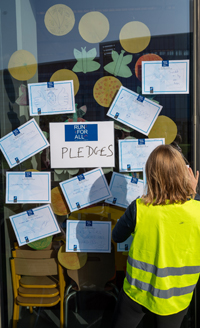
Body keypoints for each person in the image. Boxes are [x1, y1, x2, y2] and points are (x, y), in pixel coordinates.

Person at [111, 145, 200, 328]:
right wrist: (192, 193)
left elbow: (117, 236)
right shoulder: (197, 209)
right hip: (176, 298)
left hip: (137, 293)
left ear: (151, 176)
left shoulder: (139, 208)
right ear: (184, 174)